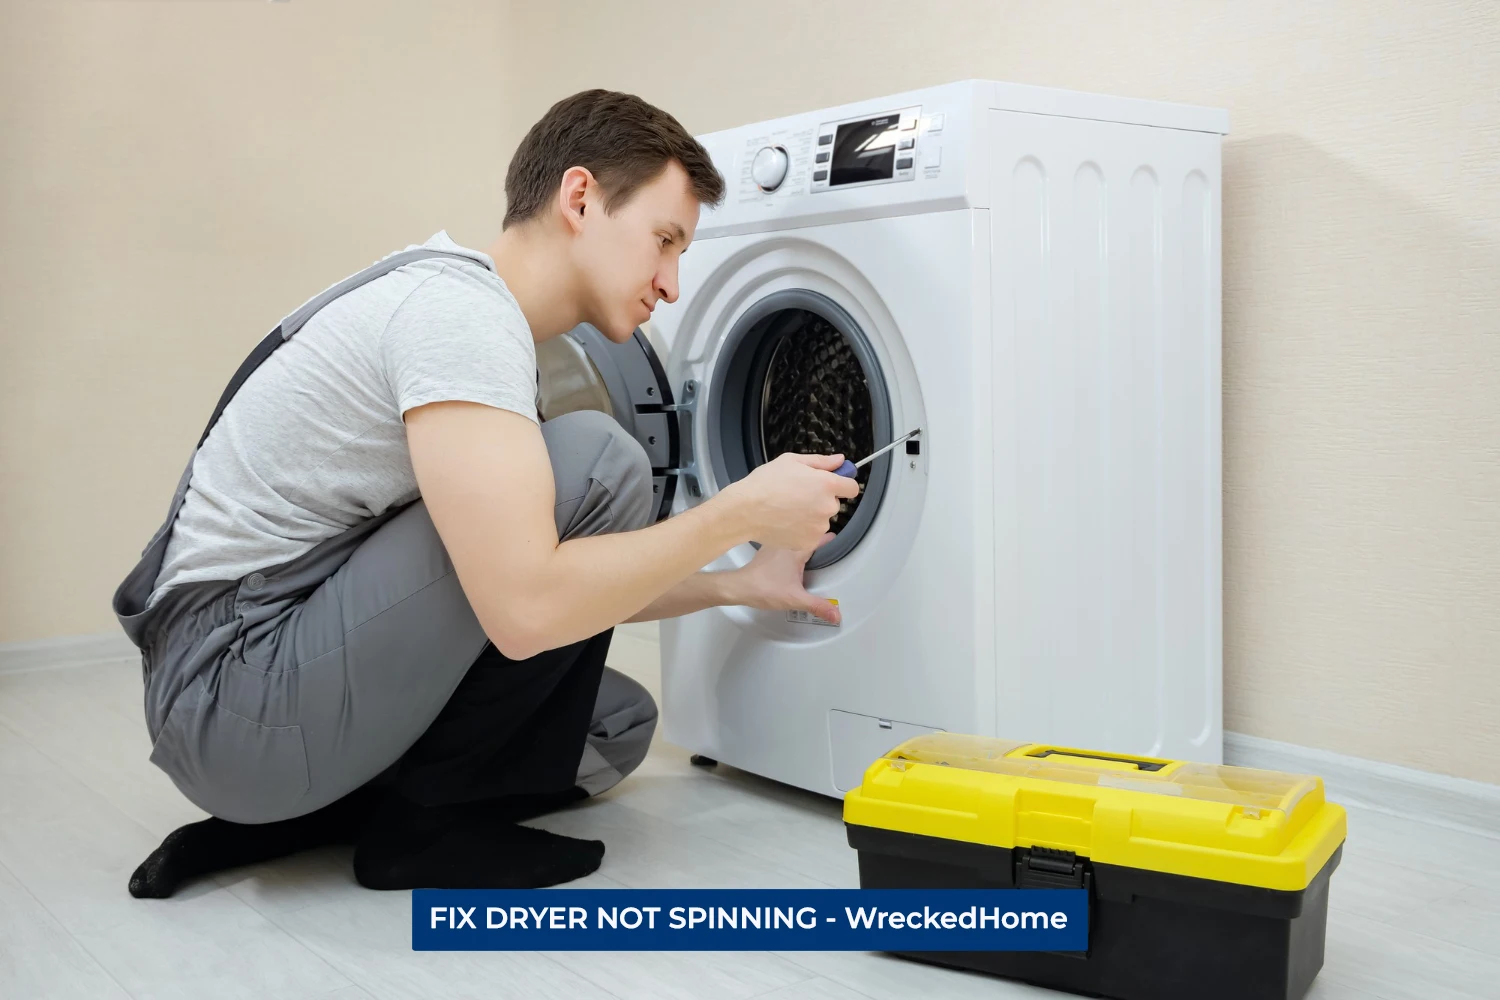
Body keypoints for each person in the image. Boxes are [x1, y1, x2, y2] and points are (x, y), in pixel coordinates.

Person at [111, 89, 858, 897]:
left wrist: (739, 583)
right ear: (579, 198)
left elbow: (535, 581)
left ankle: (315, 819)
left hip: (251, 691)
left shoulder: (463, 314)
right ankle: (424, 829)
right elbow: (527, 606)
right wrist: (740, 511)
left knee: (613, 729)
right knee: (600, 460)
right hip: (236, 694)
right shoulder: (460, 320)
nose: (670, 283)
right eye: (664, 240)